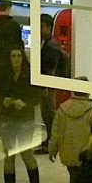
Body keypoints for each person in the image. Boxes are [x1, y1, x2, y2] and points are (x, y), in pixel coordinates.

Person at [0, 46, 40, 183]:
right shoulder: (3, 75)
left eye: (18, 56)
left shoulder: (29, 75)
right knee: (8, 156)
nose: (16, 59)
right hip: (7, 118)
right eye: (13, 56)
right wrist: (4, 101)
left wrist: (25, 104)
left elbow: (37, 97)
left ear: (23, 58)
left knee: (26, 153)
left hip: (25, 119)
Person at [48, 82, 92, 183]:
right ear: (88, 92)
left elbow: (55, 132)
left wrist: (52, 149)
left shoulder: (62, 109)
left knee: (74, 180)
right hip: (88, 156)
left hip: (69, 154)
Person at [36, 13, 66, 151]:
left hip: (48, 85)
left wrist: (45, 87)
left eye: (41, 26)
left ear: (49, 27)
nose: (39, 29)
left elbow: (50, 68)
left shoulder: (50, 45)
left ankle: (52, 141)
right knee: (47, 113)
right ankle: (50, 139)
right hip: (47, 84)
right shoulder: (47, 42)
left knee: (49, 114)